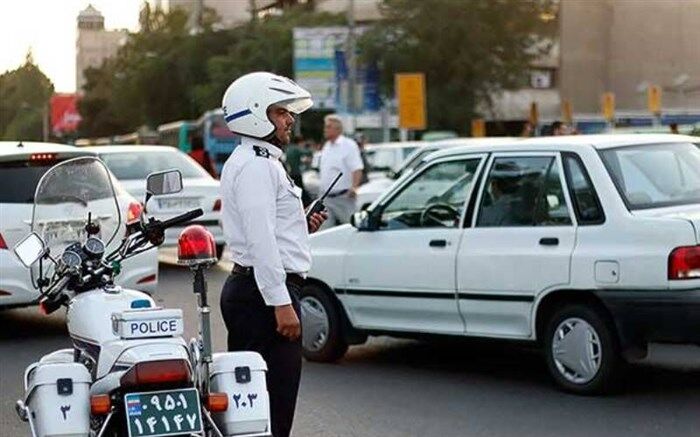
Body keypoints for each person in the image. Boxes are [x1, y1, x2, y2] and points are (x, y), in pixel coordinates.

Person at [218, 72, 327, 437]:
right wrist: (281, 303)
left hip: (255, 292)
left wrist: (302, 225)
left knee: (256, 409)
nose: (289, 120)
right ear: (255, 114)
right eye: (281, 112)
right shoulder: (257, 165)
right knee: (271, 410)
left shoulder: (256, 160)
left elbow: (266, 231)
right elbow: (261, 241)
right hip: (262, 297)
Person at [318, 114, 364, 230]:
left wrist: (354, 187)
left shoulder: (348, 145)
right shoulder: (327, 146)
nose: (325, 130)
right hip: (326, 198)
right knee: (324, 232)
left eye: (328, 127)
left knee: (351, 228)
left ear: (337, 129)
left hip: (343, 197)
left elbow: (357, 168)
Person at [284, 135, 312, 205]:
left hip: (290, 173)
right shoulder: (296, 149)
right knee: (301, 190)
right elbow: (307, 152)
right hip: (296, 173)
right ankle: (307, 203)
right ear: (300, 142)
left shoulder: (288, 148)